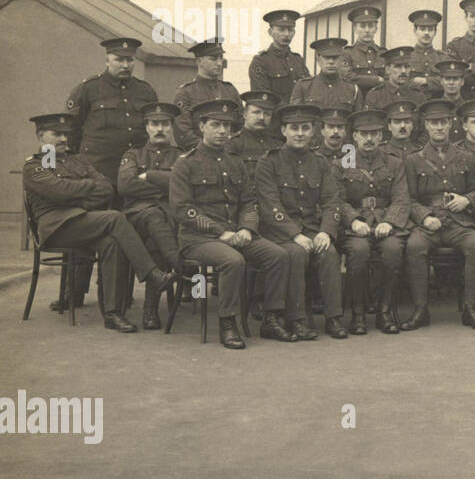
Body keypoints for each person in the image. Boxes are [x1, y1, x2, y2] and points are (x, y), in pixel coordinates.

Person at [25, 111, 175, 332]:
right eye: (56, 134)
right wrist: (85, 188)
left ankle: (113, 314)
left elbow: (105, 187)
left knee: (111, 243)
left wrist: (77, 196)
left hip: (82, 221)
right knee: (115, 218)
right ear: (41, 137)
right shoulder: (34, 166)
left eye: (65, 134)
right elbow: (59, 192)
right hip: (56, 228)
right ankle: (152, 274)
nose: (63, 139)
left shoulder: (78, 160)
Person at [168, 99, 294, 348]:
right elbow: (183, 210)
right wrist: (220, 232)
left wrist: (247, 227)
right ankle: (228, 323)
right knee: (233, 261)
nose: (222, 131)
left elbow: (249, 201)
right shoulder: (186, 163)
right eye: (215, 125)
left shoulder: (235, 162)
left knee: (278, 255)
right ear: (202, 126)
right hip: (198, 239)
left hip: (236, 234)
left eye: (226, 126)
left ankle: (271, 318)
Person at [256, 103, 349, 341]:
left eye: (305, 128)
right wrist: (295, 234)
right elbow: (269, 205)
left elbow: (332, 201)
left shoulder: (320, 163)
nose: (300, 133)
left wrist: (326, 231)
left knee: (329, 253)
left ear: (313, 132)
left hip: (312, 228)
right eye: (294, 128)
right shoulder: (269, 162)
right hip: (279, 232)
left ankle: (333, 317)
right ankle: (296, 319)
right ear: (284, 131)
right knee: (296, 254)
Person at [401, 99, 475, 331]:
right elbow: (408, 198)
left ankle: (471, 309)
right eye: (434, 123)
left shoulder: (467, 157)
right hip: (429, 223)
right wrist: (424, 217)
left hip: (459, 222)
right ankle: (421, 309)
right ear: (426, 125)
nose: (439, 127)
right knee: (414, 246)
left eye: (443, 122)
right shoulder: (413, 159)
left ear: (451, 124)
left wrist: (467, 200)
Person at [335, 109, 410, 335]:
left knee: (393, 251)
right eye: (363, 134)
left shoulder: (394, 163)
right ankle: (357, 314)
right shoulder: (342, 164)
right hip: (355, 227)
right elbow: (336, 199)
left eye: (374, 134)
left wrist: (390, 221)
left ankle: (383, 311)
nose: (369, 139)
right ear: (354, 136)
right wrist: (354, 221)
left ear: (381, 135)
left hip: (386, 223)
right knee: (357, 252)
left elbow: (401, 197)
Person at [117, 102, 185, 329]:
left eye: (165, 124)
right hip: (136, 216)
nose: (160, 129)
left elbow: (186, 187)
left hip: (170, 218)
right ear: (146, 127)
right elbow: (126, 185)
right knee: (155, 216)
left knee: (157, 234)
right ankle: (183, 267)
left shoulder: (182, 156)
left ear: (172, 128)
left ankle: (151, 311)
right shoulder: (133, 154)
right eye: (155, 124)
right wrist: (167, 183)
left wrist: (149, 176)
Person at [64, 37, 158, 189]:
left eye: (130, 60)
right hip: (98, 170)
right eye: (119, 60)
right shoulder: (88, 88)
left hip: (135, 171)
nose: (125, 65)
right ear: (107, 61)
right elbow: (71, 130)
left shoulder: (145, 91)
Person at [173, 39, 240, 151]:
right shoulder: (185, 93)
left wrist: (229, 149)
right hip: (198, 156)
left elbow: (240, 124)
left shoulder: (230, 90)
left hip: (229, 155)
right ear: (199, 61)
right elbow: (183, 132)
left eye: (220, 58)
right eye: (213, 59)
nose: (219, 63)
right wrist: (208, 149)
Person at [248, 10, 309, 104]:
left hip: (299, 116)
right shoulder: (261, 61)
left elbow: (308, 91)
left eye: (290, 30)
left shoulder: (298, 60)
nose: (287, 34)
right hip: (276, 116)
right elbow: (263, 99)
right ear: (270, 32)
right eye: (281, 29)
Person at [292, 38, 361, 111]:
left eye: (335, 57)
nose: (331, 62)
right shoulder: (303, 87)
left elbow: (357, 120)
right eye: (326, 57)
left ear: (341, 59)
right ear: (318, 59)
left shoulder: (352, 89)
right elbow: (295, 118)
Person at [228, 90, 282, 171]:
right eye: (256, 112)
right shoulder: (233, 144)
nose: (262, 117)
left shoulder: (278, 145)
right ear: (245, 114)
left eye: (267, 114)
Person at [341, 5, 386, 94]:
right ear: (355, 29)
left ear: (376, 29)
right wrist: (376, 80)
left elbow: (389, 78)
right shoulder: (347, 53)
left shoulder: (383, 53)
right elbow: (346, 76)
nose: (367, 30)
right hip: (355, 100)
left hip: (379, 100)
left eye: (370, 26)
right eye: (362, 26)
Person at [407, 9, 444, 98]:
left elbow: (451, 82)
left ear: (435, 32)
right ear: (415, 31)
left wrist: (426, 81)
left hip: (437, 105)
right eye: (422, 29)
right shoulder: (407, 57)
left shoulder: (442, 58)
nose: (426, 33)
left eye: (430, 29)